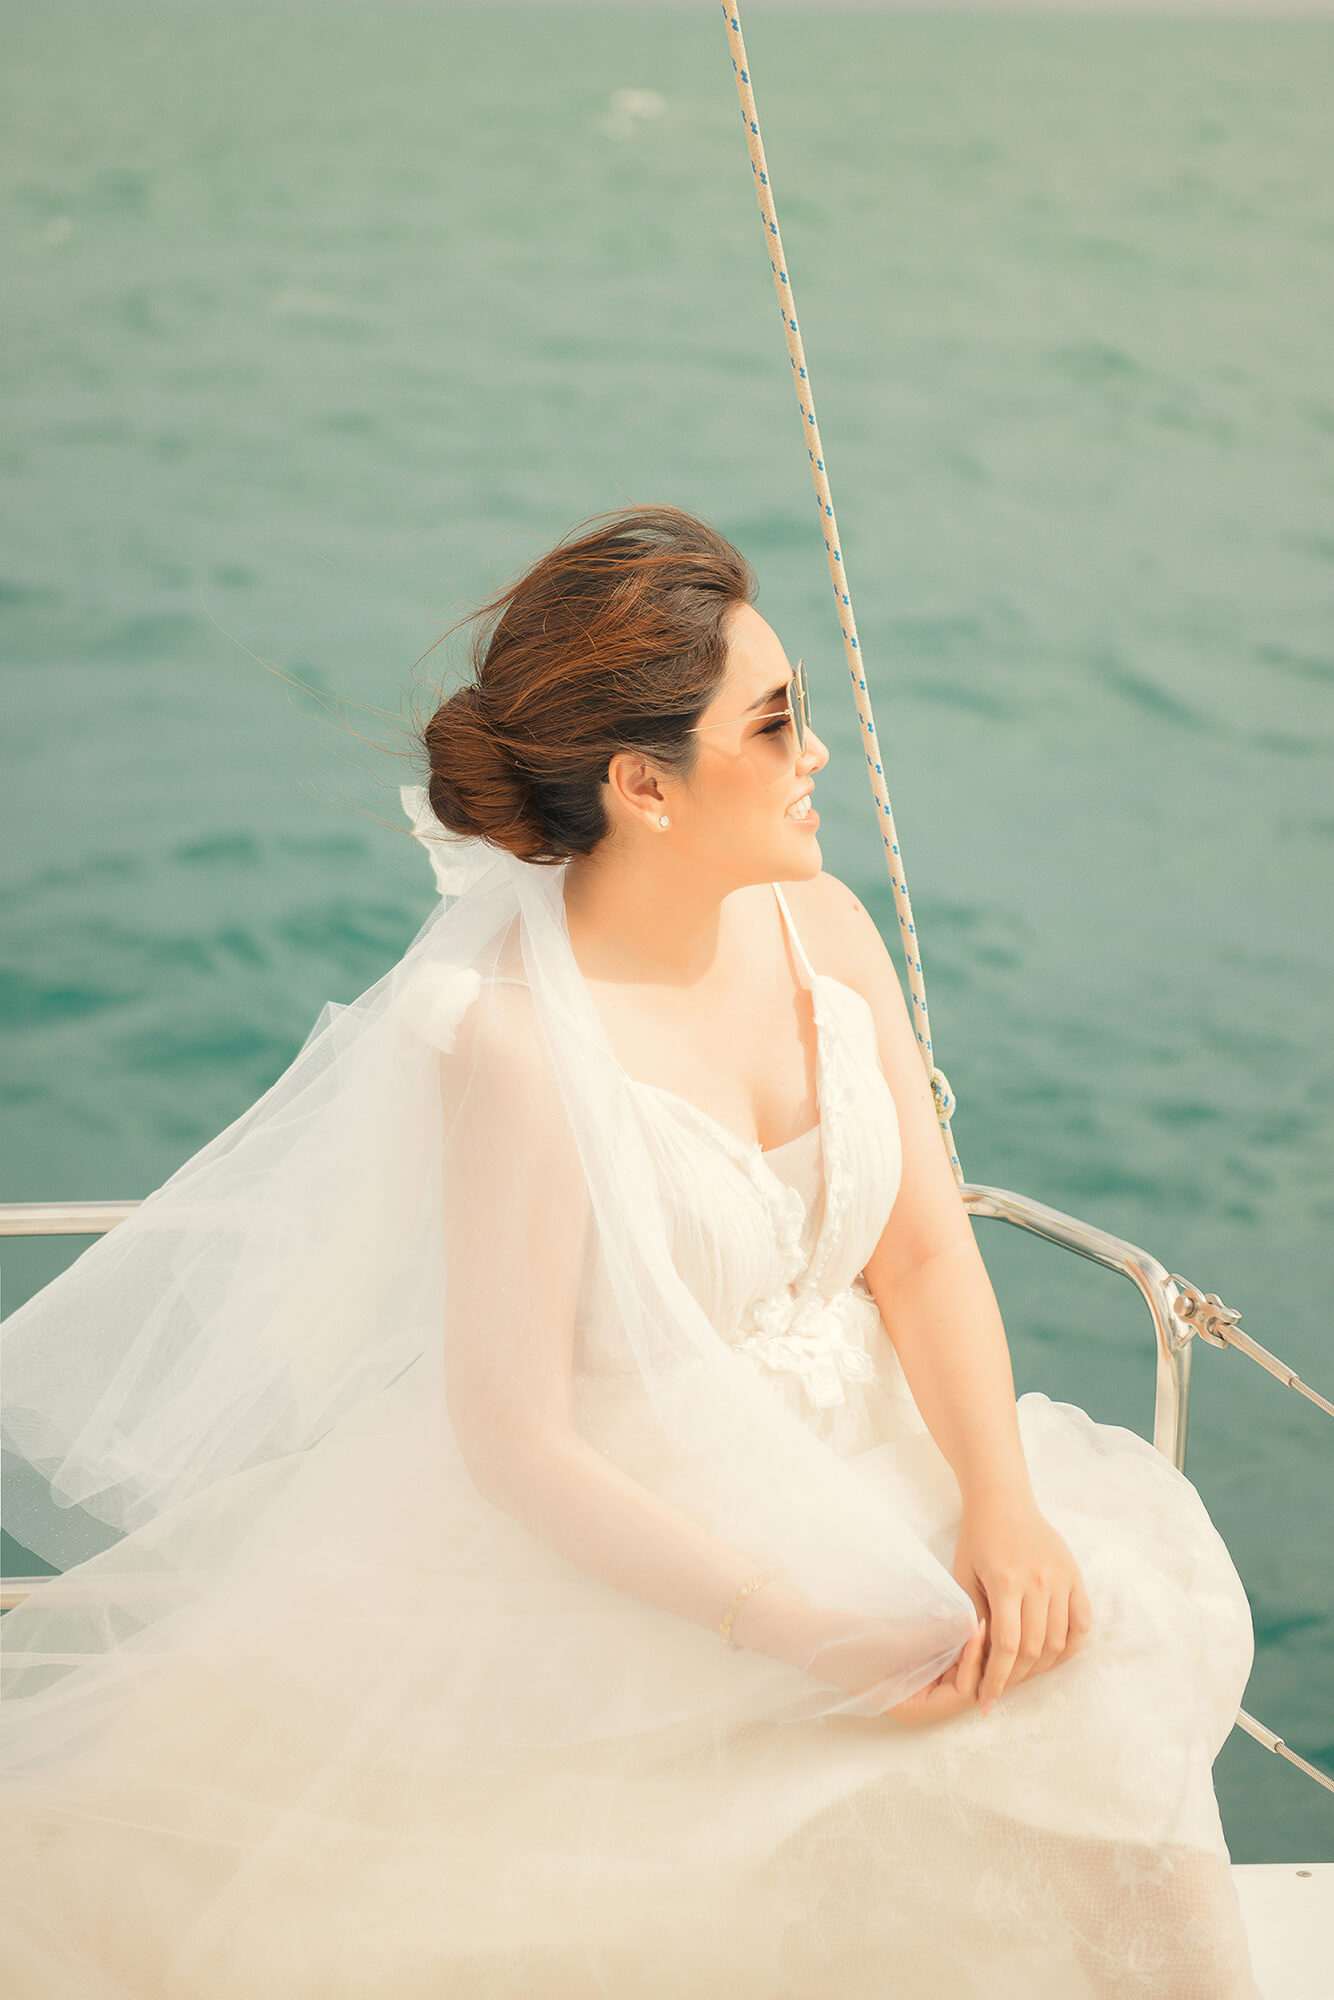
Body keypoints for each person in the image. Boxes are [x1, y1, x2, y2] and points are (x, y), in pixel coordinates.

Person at [0, 505, 1261, 1997]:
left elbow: (921, 1259)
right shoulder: (521, 1045)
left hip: (887, 1466)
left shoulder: (824, 925)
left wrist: (1002, 1508)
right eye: (777, 725)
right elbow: (515, 1435)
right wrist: (797, 1629)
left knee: (1112, 1651)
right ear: (641, 786)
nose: (818, 760)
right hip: (649, 1542)